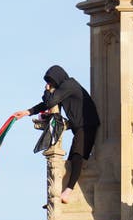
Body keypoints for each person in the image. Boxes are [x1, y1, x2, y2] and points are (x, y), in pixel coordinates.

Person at [13, 65, 100, 203]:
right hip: (80, 127)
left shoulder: (69, 84)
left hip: (87, 124)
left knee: (77, 157)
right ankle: (61, 194)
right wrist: (26, 112)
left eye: (51, 81)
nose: (49, 85)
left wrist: (46, 91)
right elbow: (47, 104)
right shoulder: (64, 88)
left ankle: (68, 191)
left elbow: (50, 101)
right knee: (72, 161)